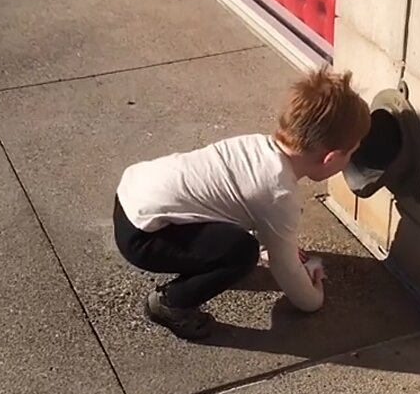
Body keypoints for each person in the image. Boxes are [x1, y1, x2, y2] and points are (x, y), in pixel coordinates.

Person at [112, 66, 371, 340]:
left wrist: (274, 244)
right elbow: (286, 271)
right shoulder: (280, 195)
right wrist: (314, 298)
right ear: (330, 158)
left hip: (130, 196)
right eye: (351, 153)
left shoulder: (255, 146)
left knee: (231, 232)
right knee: (241, 253)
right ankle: (171, 303)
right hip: (143, 238)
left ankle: (198, 263)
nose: (350, 160)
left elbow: (244, 203)